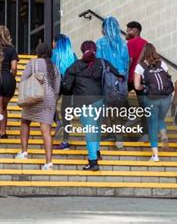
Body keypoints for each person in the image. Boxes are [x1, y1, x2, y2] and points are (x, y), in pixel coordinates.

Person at [62, 41, 119, 171]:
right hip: (101, 101)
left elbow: (67, 87)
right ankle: (97, 151)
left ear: (82, 51)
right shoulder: (103, 63)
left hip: (84, 103)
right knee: (97, 128)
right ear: (95, 50)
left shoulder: (75, 66)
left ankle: (93, 161)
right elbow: (116, 74)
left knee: (90, 131)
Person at [15, 43, 61, 170]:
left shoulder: (33, 63)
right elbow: (57, 87)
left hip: (35, 97)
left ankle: (24, 152)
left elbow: (23, 79)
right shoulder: (55, 67)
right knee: (46, 130)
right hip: (50, 98)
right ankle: (48, 162)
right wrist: (53, 100)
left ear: (38, 51)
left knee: (25, 121)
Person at [134, 43, 173, 162]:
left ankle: (155, 155)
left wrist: (144, 87)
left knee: (152, 124)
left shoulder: (140, 66)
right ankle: (164, 134)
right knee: (160, 118)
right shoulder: (162, 63)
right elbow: (168, 78)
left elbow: (136, 86)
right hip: (166, 97)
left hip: (151, 98)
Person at [96, 16, 129, 148]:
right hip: (120, 80)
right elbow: (127, 63)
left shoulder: (100, 43)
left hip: (106, 78)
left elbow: (99, 61)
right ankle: (119, 136)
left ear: (105, 28)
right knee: (117, 108)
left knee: (105, 107)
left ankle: (110, 133)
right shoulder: (123, 44)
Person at [51, 34, 77, 150]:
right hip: (70, 86)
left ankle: (58, 122)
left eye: (53, 41)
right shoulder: (73, 55)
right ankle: (66, 141)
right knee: (66, 113)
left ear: (57, 43)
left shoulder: (53, 54)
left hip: (56, 84)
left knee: (49, 105)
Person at [126, 21, 149, 142]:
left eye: (129, 29)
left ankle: (131, 115)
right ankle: (145, 134)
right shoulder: (146, 44)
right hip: (142, 78)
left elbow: (129, 60)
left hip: (131, 77)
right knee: (144, 106)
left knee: (118, 96)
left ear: (135, 31)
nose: (127, 32)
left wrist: (124, 73)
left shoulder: (130, 43)